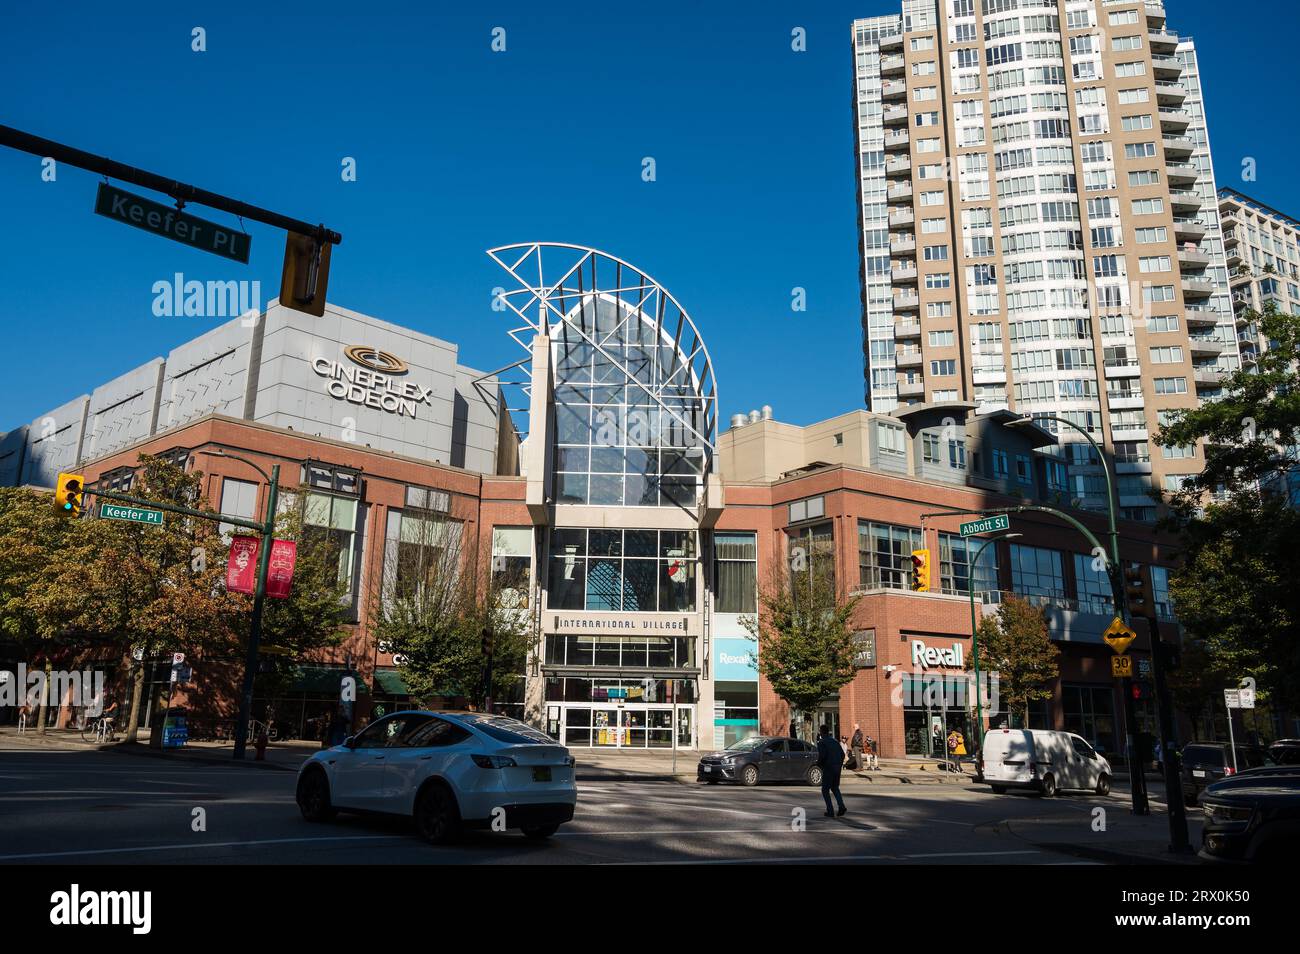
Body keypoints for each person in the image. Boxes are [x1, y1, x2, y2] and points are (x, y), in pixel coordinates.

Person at [816, 723, 847, 818]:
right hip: (837, 767)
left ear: (821, 732)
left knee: (825, 790)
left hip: (829, 767)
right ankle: (841, 806)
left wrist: (819, 764)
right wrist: (839, 764)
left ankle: (830, 810)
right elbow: (842, 754)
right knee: (835, 787)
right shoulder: (835, 741)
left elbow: (823, 755)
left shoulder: (822, 742)